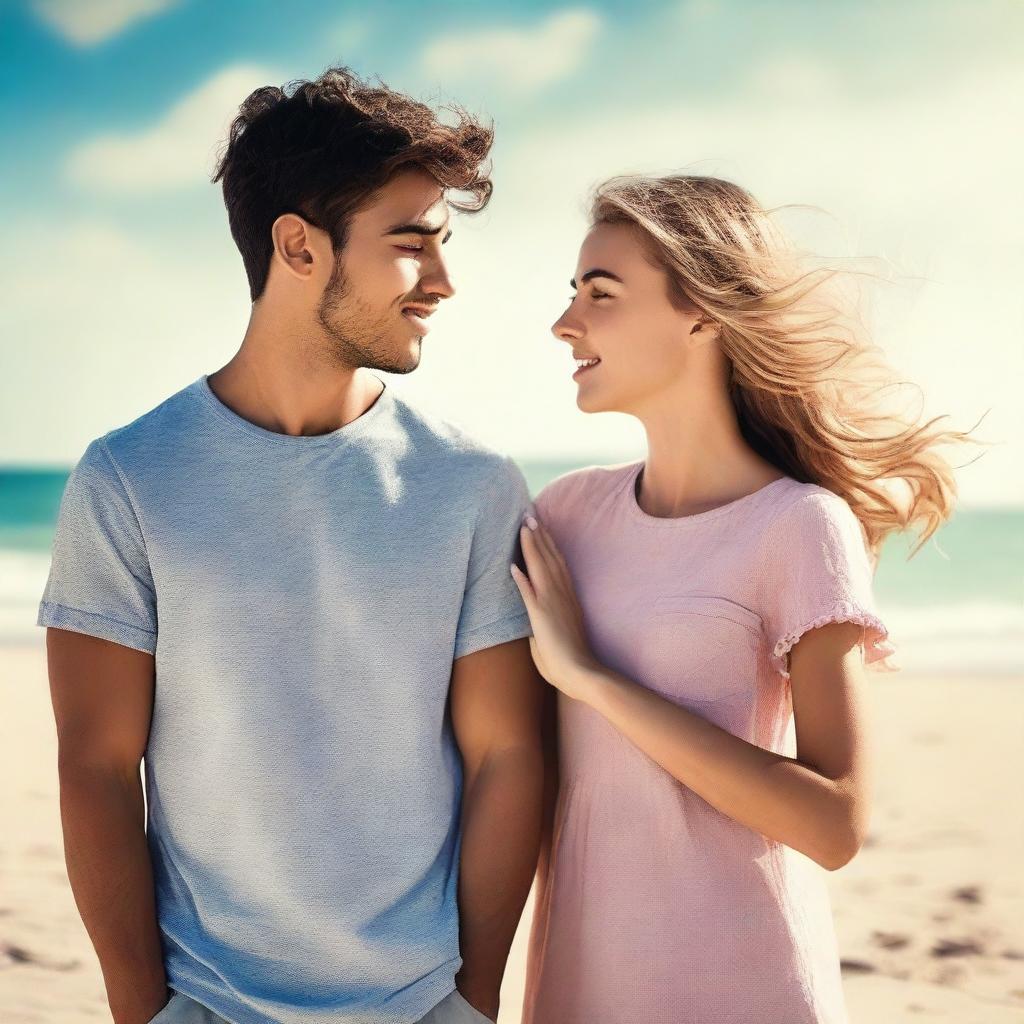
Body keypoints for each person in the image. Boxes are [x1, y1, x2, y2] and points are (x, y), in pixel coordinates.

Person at [37, 67, 546, 1024]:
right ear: (298, 246)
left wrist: (473, 999)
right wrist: (143, 1010)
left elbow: (507, 755)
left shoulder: (472, 485)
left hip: (424, 1003)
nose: (442, 282)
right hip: (202, 1002)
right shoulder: (129, 479)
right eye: (412, 245)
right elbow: (97, 769)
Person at [511, 174, 976, 1023]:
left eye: (601, 294)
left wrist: (595, 679)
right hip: (582, 988)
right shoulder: (563, 515)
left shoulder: (799, 527)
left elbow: (835, 824)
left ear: (701, 315)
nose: (565, 323)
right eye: (572, 293)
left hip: (745, 988)